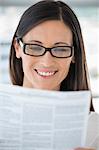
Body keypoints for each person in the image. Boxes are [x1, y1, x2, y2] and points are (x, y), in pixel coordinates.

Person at [9, 0, 99, 149]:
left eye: (60, 49)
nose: (46, 62)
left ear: (74, 55)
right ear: (18, 48)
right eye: (35, 47)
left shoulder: (94, 130)